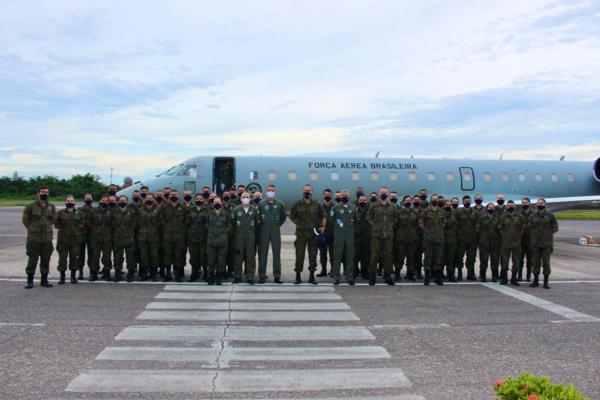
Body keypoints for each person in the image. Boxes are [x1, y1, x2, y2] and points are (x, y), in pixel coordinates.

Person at [290, 184, 326, 284]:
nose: (307, 192)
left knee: (313, 255)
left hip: (313, 233)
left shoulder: (317, 204)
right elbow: (292, 216)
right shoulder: (297, 204)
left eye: (309, 190)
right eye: (306, 190)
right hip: (301, 234)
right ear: (302, 191)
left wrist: (323, 226)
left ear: (312, 192)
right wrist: (298, 224)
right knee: (299, 255)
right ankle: (298, 276)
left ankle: (311, 277)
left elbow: (323, 215)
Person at [22, 186, 56, 289]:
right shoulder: (30, 206)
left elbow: (53, 219)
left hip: (47, 239)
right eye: (42, 192)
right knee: (32, 260)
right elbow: (25, 220)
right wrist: (32, 229)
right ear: (38, 193)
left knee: (46, 260)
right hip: (34, 239)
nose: (45, 193)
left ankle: (44, 280)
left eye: (46, 192)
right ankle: (29, 280)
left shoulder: (51, 206)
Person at [367, 187, 397, 286]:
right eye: (382, 192)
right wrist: (376, 226)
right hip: (377, 235)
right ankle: (372, 277)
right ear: (379, 194)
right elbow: (369, 218)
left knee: (388, 256)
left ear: (388, 194)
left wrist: (387, 226)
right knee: (374, 256)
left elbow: (395, 219)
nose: (383, 194)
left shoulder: (392, 206)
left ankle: (387, 276)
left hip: (388, 235)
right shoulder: (374, 206)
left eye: (385, 192)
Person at [258, 184, 287, 284]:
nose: (270, 192)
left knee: (276, 254)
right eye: (269, 190)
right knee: (262, 254)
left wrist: (277, 224)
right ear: (266, 192)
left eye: (272, 190)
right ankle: (262, 275)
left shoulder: (280, 204)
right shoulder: (261, 204)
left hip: (275, 231)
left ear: (275, 192)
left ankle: (277, 276)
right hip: (263, 232)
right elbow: (258, 217)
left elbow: (283, 217)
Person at [528, 198, 558, 289]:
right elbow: (529, 227)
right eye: (538, 203)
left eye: (541, 203)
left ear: (545, 204)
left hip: (546, 244)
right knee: (535, 263)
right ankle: (535, 281)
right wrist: (535, 235)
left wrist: (546, 234)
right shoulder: (533, 216)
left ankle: (545, 282)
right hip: (536, 243)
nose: (539, 205)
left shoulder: (550, 215)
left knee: (546, 263)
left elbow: (555, 228)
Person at [231, 192, 259, 284]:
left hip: (251, 239)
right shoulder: (236, 210)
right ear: (240, 198)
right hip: (239, 239)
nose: (245, 198)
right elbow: (232, 224)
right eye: (243, 197)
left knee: (250, 258)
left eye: (247, 197)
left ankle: (250, 277)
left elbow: (257, 225)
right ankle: (237, 276)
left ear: (250, 198)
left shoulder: (254, 210)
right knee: (238, 258)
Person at [159, 190, 187, 282]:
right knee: (167, 255)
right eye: (172, 195)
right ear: (169, 196)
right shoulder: (165, 208)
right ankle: (168, 274)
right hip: (168, 236)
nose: (173, 196)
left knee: (178, 256)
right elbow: (161, 220)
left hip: (179, 237)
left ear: (178, 197)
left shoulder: (183, 207)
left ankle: (178, 275)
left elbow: (187, 220)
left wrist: (180, 227)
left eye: (175, 195)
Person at [329, 190, 356, 285]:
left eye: (346, 195)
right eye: (343, 196)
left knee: (350, 256)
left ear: (349, 196)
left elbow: (356, 220)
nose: (345, 197)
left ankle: (350, 277)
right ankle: (336, 277)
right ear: (340, 197)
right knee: (337, 257)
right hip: (338, 235)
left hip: (350, 235)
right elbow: (331, 221)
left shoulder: (353, 207)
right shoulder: (335, 208)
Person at [54, 195, 83, 284]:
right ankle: (62, 277)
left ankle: (73, 277)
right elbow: (55, 224)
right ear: (65, 202)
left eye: (71, 201)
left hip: (75, 240)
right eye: (68, 201)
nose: (70, 202)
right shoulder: (60, 213)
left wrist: (75, 230)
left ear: (74, 202)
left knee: (74, 259)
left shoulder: (78, 213)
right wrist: (64, 229)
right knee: (62, 259)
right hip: (63, 240)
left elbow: (82, 224)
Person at [419, 195, 446, 285]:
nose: (435, 201)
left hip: (438, 238)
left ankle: (437, 278)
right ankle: (427, 278)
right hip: (428, 238)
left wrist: (437, 230)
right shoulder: (426, 211)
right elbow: (421, 222)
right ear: (431, 200)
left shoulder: (442, 211)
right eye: (433, 199)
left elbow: (444, 223)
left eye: (436, 199)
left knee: (438, 258)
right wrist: (427, 231)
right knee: (428, 258)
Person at [498, 200, 525, 285]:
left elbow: (523, 229)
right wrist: (506, 237)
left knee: (516, 263)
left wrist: (517, 237)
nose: (510, 207)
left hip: (516, 243)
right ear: (506, 207)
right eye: (509, 205)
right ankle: (504, 279)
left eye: (512, 205)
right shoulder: (503, 217)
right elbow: (500, 229)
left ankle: (514, 278)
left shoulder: (520, 217)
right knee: (504, 263)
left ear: (515, 206)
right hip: (505, 244)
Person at [112, 195, 137, 282]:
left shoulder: (132, 211)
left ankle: (130, 273)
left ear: (127, 201)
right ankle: (117, 273)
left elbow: (134, 223)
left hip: (129, 237)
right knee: (117, 257)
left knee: (130, 257)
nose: (123, 202)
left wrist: (128, 230)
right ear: (119, 202)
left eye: (124, 200)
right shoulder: (115, 212)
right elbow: (112, 224)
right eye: (121, 200)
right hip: (118, 238)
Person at [207, 197, 231, 285]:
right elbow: (206, 225)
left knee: (221, 260)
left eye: (218, 202)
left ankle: (219, 277)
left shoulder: (225, 213)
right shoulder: (209, 213)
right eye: (215, 202)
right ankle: (211, 277)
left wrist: (222, 233)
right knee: (211, 260)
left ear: (221, 203)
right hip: (211, 240)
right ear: (213, 204)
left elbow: (229, 225)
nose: (217, 203)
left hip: (222, 241)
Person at [395, 195, 419, 282]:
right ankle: (397, 274)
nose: (408, 201)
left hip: (412, 239)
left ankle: (410, 274)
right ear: (403, 202)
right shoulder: (399, 212)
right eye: (406, 200)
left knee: (411, 257)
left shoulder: (415, 213)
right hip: (401, 239)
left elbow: (418, 224)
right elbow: (395, 224)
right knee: (400, 257)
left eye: (409, 200)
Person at [137, 194, 161, 281]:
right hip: (143, 237)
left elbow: (161, 221)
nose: (149, 200)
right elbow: (136, 222)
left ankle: (153, 274)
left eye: (151, 198)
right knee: (144, 256)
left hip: (154, 237)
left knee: (154, 256)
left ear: (153, 199)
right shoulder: (140, 210)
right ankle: (144, 274)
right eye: (147, 198)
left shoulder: (157, 210)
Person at [187, 193, 209, 282]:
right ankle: (194, 273)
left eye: (200, 199)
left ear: (203, 200)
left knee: (204, 257)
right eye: (197, 199)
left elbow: (208, 223)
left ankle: (205, 274)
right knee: (193, 257)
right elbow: (187, 223)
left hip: (203, 238)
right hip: (193, 238)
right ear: (194, 200)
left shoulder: (207, 210)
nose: (199, 200)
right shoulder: (190, 210)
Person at [91, 195, 113, 281]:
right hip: (96, 237)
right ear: (100, 201)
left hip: (107, 237)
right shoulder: (94, 211)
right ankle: (94, 274)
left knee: (107, 256)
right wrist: (95, 229)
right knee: (95, 256)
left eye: (106, 201)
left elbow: (114, 223)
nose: (104, 202)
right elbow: (89, 221)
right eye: (103, 200)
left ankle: (107, 273)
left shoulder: (111, 211)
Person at [456, 195, 478, 281]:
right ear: (463, 202)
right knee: (460, 257)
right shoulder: (459, 212)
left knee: (471, 258)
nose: (467, 202)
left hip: (472, 239)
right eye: (465, 201)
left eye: (468, 201)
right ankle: (459, 274)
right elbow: (456, 224)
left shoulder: (475, 212)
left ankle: (470, 274)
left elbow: (478, 224)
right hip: (461, 239)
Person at [477, 203, 501, 282]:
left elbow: (500, 229)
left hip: (495, 242)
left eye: (492, 207)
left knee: (495, 260)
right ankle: (483, 275)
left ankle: (494, 276)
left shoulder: (497, 218)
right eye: (489, 207)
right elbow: (478, 229)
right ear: (487, 208)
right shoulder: (482, 218)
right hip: (484, 242)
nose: (491, 209)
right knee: (484, 259)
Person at [318, 188, 335, 277]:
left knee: (332, 253)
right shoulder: (319, 205)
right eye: (326, 194)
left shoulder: (335, 205)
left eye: (329, 194)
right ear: (323, 195)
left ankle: (333, 270)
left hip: (332, 233)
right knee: (322, 253)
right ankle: (323, 270)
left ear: (331, 195)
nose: (327, 196)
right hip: (322, 233)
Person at [77, 193, 94, 280]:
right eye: (87, 198)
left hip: (91, 235)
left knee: (92, 254)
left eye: (90, 198)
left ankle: (91, 272)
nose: (88, 199)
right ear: (84, 199)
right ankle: (80, 272)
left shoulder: (95, 210)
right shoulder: (79, 210)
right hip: (81, 234)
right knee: (80, 254)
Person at [354, 194, 371, 279]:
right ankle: (355, 272)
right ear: (358, 201)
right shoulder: (354, 209)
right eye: (361, 200)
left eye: (364, 200)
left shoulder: (370, 210)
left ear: (366, 201)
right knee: (355, 255)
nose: (362, 202)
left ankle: (364, 272)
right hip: (356, 236)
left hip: (367, 236)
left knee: (365, 256)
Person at [442, 198, 458, 282]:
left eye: (449, 205)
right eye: (446, 205)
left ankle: (450, 274)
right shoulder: (440, 213)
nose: (448, 206)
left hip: (451, 238)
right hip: (442, 238)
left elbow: (456, 224)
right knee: (441, 257)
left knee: (451, 257)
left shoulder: (454, 213)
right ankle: (440, 274)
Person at [519, 197, 534, 281]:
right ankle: (519, 275)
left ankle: (528, 276)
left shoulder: (534, 214)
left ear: (529, 203)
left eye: (526, 202)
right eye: (523, 203)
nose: (524, 204)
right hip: (521, 241)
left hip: (530, 241)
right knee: (520, 260)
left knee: (530, 260)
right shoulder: (518, 214)